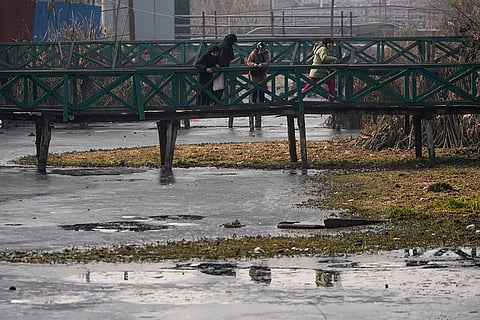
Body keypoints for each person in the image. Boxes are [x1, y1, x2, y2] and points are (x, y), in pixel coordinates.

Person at [302, 37, 337, 101]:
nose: (331, 45)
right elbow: (324, 58)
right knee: (330, 84)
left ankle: (300, 96)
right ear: (327, 43)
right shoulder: (323, 49)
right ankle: (331, 99)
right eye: (330, 43)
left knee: (310, 84)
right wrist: (333, 58)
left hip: (318, 70)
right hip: (319, 70)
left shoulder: (321, 48)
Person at [214, 34, 238, 101]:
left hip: (220, 67)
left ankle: (219, 100)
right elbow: (223, 57)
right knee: (223, 84)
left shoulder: (222, 44)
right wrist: (224, 67)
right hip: (223, 68)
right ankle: (224, 100)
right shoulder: (227, 46)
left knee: (219, 85)